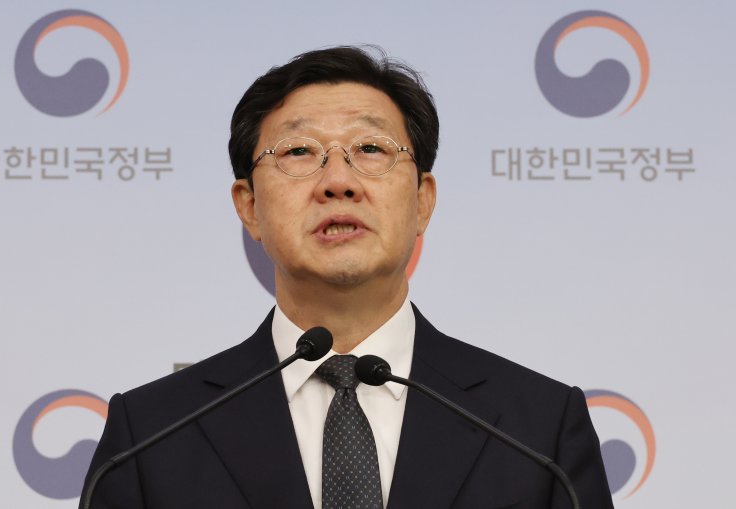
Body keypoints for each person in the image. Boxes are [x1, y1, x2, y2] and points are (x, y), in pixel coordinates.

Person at [82, 46, 614, 509]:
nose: (338, 181)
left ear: (423, 201)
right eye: (298, 152)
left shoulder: (537, 429)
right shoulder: (150, 434)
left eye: (371, 149)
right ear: (249, 207)